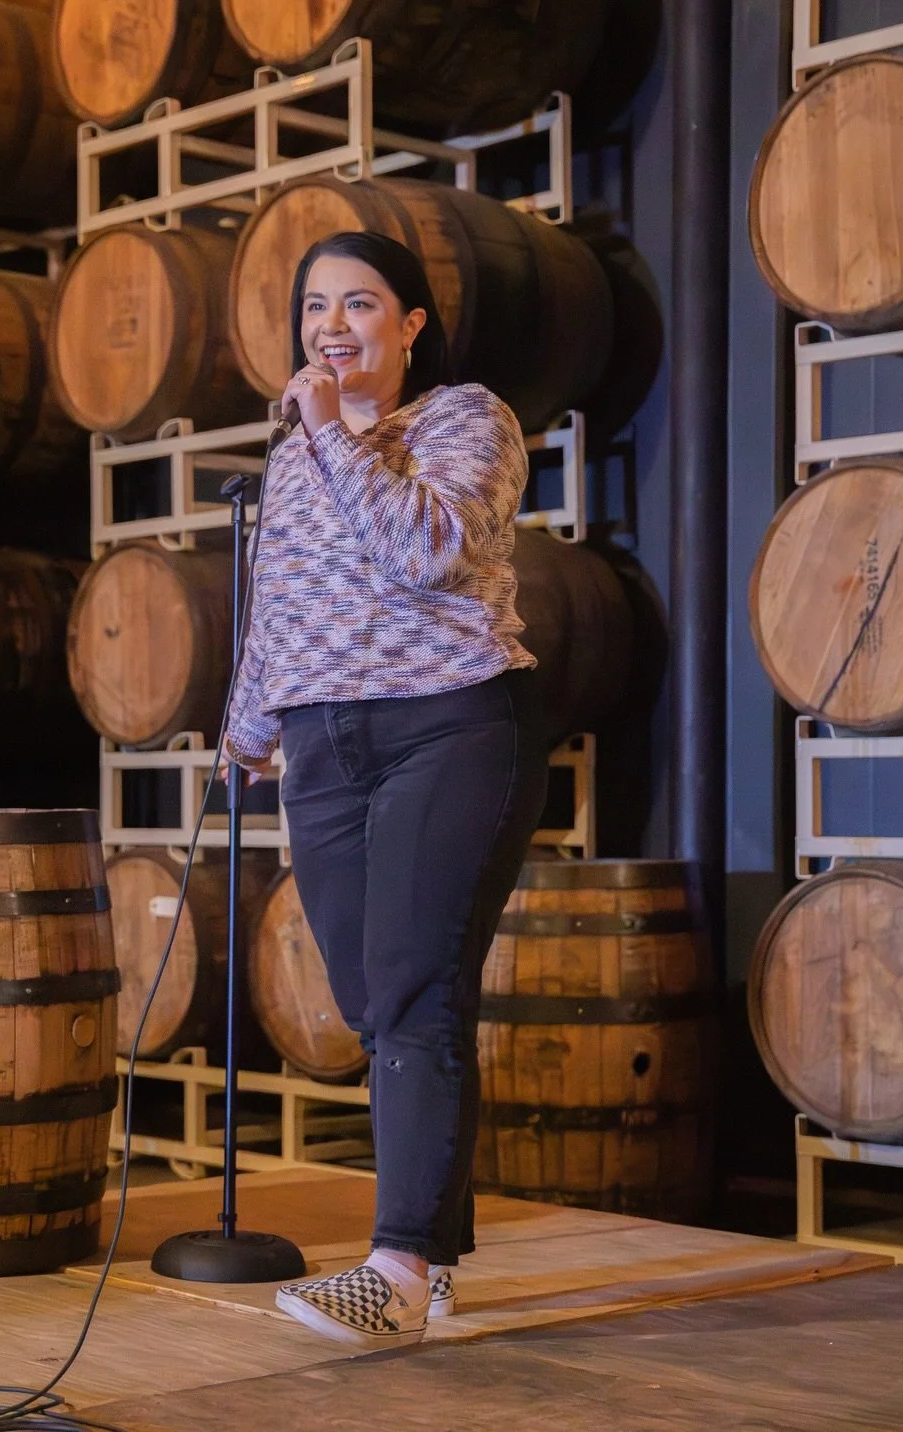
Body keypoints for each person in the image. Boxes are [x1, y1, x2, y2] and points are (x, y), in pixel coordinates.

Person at [224, 230, 554, 1349]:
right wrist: (249, 725)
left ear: (410, 324)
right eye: (317, 307)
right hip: (321, 748)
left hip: (448, 728)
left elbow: (427, 551)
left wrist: (332, 429)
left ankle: (397, 1269)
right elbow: (282, 600)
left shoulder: (466, 420)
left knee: (416, 994)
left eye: (360, 305)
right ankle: (435, 1261)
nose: (333, 326)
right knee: (381, 1007)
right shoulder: (287, 461)